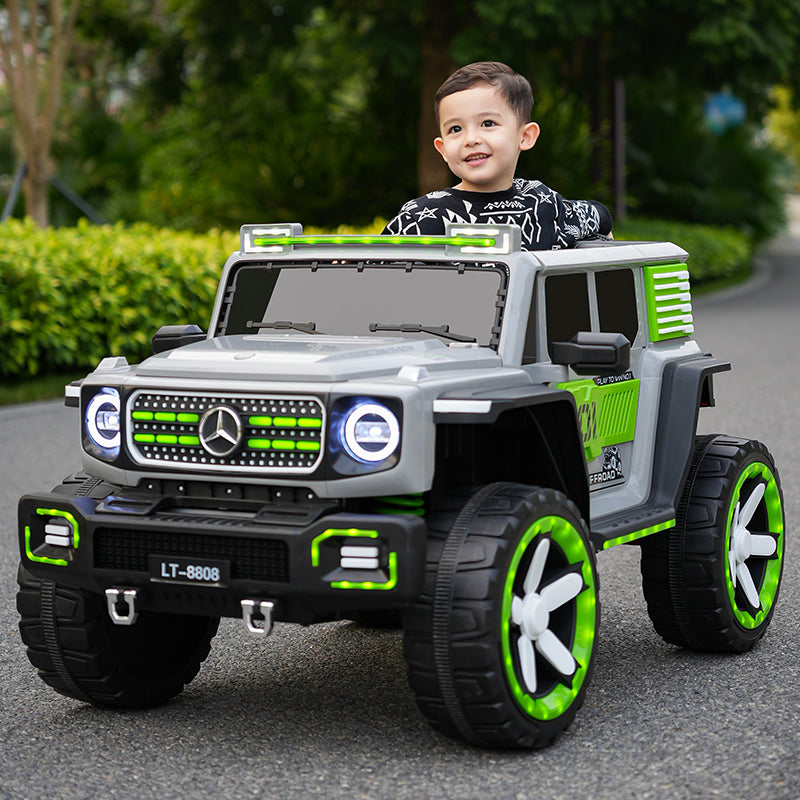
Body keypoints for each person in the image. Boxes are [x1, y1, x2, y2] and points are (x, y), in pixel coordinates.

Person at [383, 62, 612, 250]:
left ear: (525, 136)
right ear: (442, 149)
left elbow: (597, 216)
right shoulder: (422, 217)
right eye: (455, 129)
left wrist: (606, 237)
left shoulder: (542, 202)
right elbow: (374, 274)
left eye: (488, 123)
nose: (471, 139)